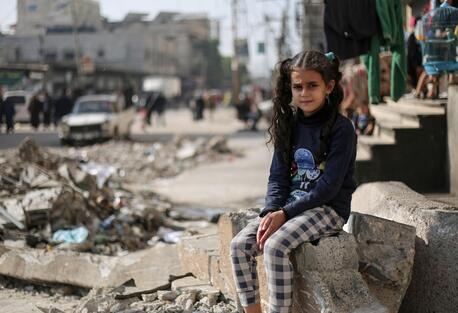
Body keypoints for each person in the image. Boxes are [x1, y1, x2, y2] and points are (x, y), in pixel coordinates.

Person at [230, 50, 357, 313]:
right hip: (290, 207)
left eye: (312, 85)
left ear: (329, 86)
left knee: (275, 247)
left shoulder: (341, 129)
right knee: (239, 245)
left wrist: (285, 213)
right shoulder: (289, 125)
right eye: (297, 86)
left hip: (328, 209)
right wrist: (270, 213)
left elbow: (329, 187)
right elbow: (277, 177)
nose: (304, 93)